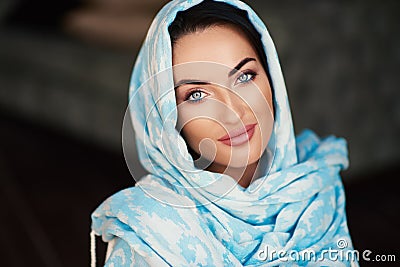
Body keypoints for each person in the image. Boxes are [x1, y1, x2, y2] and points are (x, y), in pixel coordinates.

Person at [91, 0, 358, 266]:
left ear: (272, 76)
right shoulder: (153, 232)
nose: (232, 112)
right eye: (197, 95)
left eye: (244, 77)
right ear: (167, 117)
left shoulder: (316, 184)